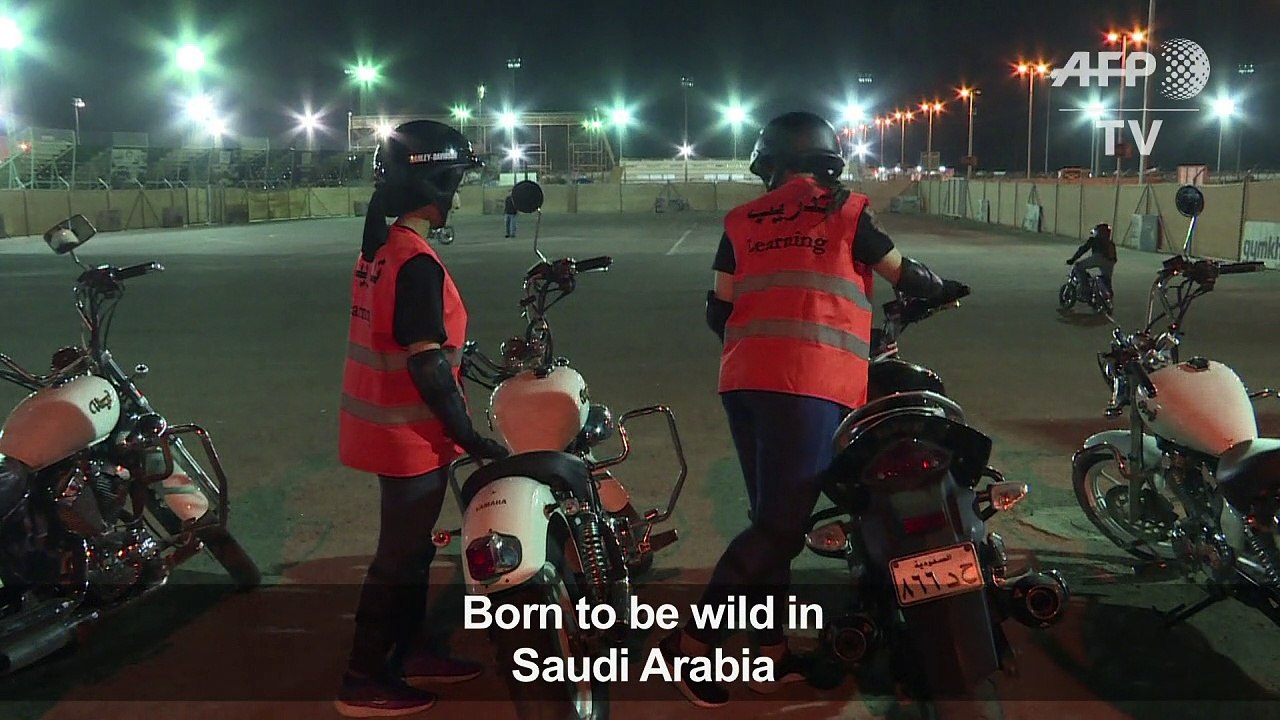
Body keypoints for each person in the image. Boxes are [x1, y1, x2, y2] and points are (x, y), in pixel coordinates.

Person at [659, 111, 965, 708]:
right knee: (781, 526)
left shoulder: (742, 220)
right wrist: (941, 286)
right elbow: (907, 277)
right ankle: (695, 643)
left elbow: (717, 314)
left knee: (769, 520)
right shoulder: (846, 211)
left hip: (745, 381)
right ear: (828, 161)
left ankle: (767, 649)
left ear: (768, 164)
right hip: (809, 382)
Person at [337, 119, 510, 717]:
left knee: (410, 554)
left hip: (388, 425)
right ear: (435, 184)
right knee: (398, 555)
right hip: (409, 434)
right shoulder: (414, 261)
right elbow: (428, 365)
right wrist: (468, 432)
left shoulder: (383, 249)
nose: (456, 193)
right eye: (454, 181)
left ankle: (409, 653)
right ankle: (363, 677)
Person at [1067, 222, 1117, 295]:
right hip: (1110, 261)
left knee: (1078, 267)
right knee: (1106, 279)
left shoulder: (1094, 239)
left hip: (1098, 258)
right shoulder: (1110, 243)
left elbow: (1083, 249)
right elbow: (1114, 256)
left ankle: (1084, 287)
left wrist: (1073, 259)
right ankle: (1108, 296)